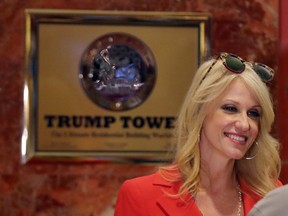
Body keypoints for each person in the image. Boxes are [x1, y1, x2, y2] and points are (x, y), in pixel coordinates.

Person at [114, 52, 282, 216]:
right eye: (230, 109)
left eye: (253, 113)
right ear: (200, 113)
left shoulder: (272, 197)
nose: (245, 124)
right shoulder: (140, 195)